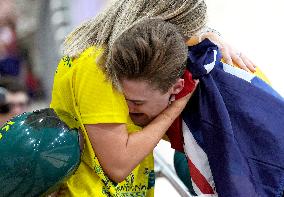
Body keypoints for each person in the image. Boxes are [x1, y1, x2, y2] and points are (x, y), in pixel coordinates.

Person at [50, 0, 257, 196]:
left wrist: (212, 35)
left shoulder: (119, 58)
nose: (177, 46)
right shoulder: (97, 64)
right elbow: (118, 164)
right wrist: (177, 104)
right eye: (181, 37)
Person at [110, 19, 284, 196]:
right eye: (123, 98)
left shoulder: (220, 103)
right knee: (182, 161)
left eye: (137, 103)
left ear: (176, 89)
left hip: (264, 152)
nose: (126, 108)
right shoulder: (157, 63)